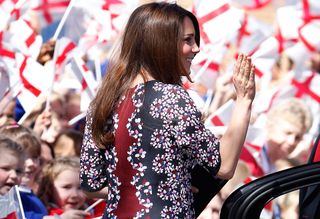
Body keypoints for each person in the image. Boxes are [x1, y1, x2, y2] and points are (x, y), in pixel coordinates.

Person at [80, 2, 255, 218]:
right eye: (188, 40)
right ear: (161, 43)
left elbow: (91, 184)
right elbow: (224, 165)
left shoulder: (103, 100)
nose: (196, 48)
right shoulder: (170, 97)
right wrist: (244, 100)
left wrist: (164, 186)